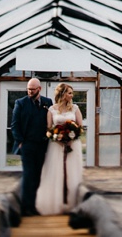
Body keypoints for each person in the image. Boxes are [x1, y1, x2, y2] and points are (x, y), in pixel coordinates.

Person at [36, 83, 84, 215]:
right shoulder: (52, 109)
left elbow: (80, 127)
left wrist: (71, 138)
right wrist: (57, 137)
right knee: (56, 172)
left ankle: (72, 204)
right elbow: (49, 128)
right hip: (56, 145)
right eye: (69, 93)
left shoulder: (75, 108)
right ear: (62, 94)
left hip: (72, 145)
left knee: (71, 172)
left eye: (72, 93)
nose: (71, 95)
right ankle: (56, 203)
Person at [11, 77, 52, 216]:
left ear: (39, 89)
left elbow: (49, 122)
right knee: (28, 175)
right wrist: (20, 141)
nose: (30, 91)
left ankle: (32, 206)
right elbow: (15, 125)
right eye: (28, 89)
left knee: (37, 176)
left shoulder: (47, 102)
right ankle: (25, 207)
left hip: (41, 145)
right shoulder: (20, 103)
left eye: (33, 89)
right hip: (27, 144)